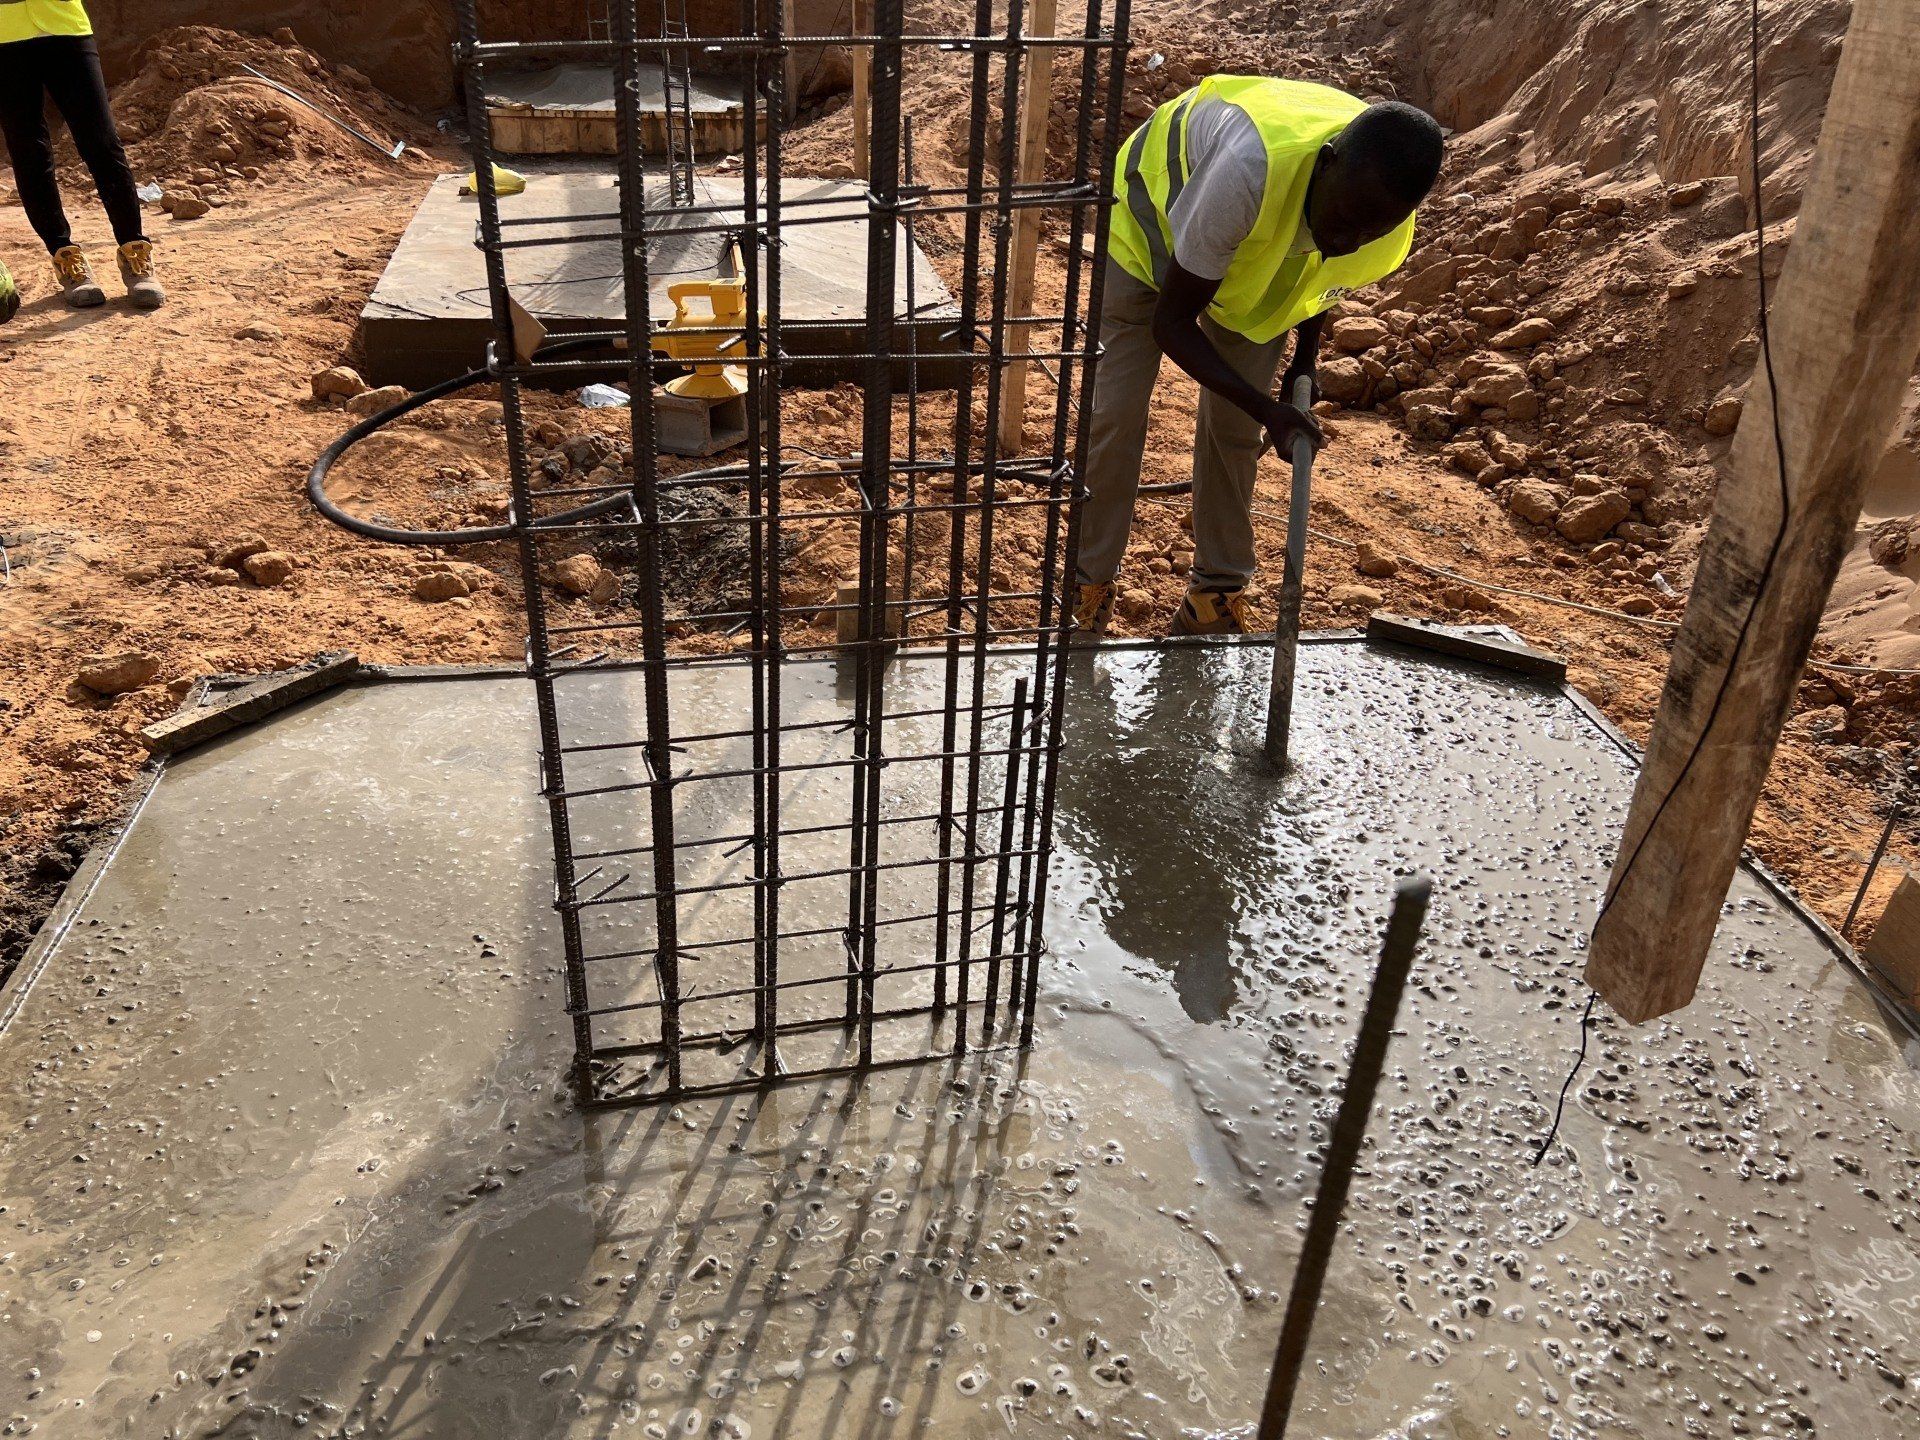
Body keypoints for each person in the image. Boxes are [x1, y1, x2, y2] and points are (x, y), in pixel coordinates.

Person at [1075, 77, 1442, 636]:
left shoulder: (1382, 224)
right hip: (1152, 227)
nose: (1348, 239)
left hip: (1251, 264)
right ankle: (1087, 587)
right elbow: (1171, 325)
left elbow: (1323, 279)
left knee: (1236, 429)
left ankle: (1215, 597)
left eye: (1368, 231)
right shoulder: (1247, 173)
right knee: (1115, 416)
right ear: (1324, 166)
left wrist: (1304, 361)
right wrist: (1268, 407)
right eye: (1341, 221)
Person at [0, 0, 165, 310]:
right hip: (4, 39)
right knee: (29, 152)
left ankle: (135, 250)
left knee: (102, 142)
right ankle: (65, 256)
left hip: (66, 27)